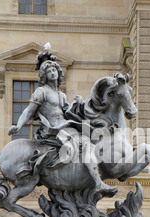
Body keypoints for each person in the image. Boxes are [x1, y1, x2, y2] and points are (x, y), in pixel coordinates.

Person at [8, 51, 116, 194]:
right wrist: (18, 125)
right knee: (87, 144)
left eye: (54, 70)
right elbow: (28, 111)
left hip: (65, 125)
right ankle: (98, 182)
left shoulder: (61, 95)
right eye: (49, 71)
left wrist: (79, 103)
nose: (52, 72)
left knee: (91, 136)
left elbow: (68, 112)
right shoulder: (41, 91)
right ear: (44, 76)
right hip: (54, 129)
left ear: (58, 73)